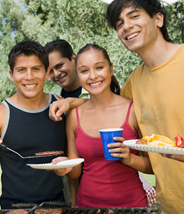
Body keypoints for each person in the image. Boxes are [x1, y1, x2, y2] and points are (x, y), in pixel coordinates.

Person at [49, 0, 184, 213]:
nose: (126, 26)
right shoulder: (136, 81)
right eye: (119, 23)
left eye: (134, 16)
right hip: (169, 204)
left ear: (159, 18)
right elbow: (105, 105)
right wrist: (71, 102)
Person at [0, 40, 67, 209]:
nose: (29, 76)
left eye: (36, 69)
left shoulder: (62, 106)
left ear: (47, 72)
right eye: (21, 70)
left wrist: (73, 102)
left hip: (58, 207)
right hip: (14, 209)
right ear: (12, 75)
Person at [51, 43, 151, 208]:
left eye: (99, 67)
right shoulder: (75, 116)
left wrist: (129, 158)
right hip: (88, 207)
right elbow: (76, 171)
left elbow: (153, 167)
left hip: (132, 206)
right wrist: (64, 166)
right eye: (84, 71)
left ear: (110, 69)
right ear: (78, 74)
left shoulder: (133, 110)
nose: (92, 76)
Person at [44, 39, 89, 207]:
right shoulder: (52, 99)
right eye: (50, 71)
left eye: (59, 66)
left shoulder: (95, 84)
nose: (56, 74)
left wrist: (71, 102)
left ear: (74, 58)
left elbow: (104, 104)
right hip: (69, 178)